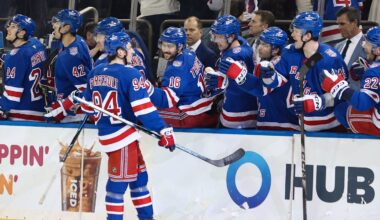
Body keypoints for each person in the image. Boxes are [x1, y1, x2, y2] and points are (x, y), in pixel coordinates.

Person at [80, 33, 176, 220]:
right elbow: (143, 110)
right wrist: (163, 129)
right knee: (117, 186)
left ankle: (146, 217)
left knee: (140, 179)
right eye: (130, 49)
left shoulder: (95, 72)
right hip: (122, 139)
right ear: (121, 52)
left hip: (115, 135)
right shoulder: (130, 73)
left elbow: (86, 107)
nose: (133, 52)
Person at [260, 11, 348, 132]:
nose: (292, 35)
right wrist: (268, 76)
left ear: (307, 36)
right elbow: (275, 81)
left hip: (331, 128)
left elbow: (343, 95)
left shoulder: (330, 59)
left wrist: (319, 101)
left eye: (295, 31)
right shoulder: (290, 52)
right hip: (303, 126)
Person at [212, 27, 300, 130]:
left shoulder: (278, 64)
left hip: (282, 123)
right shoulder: (265, 61)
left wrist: (239, 74)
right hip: (269, 119)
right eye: (260, 43)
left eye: (265, 45)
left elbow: (261, 89)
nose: (259, 48)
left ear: (276, 50)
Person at [145, 27, 219, 128]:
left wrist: (146, 87)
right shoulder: (189, 52)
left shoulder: (177, 68)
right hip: (204, 105)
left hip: (191, 114)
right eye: (163, 45)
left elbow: (166, 100)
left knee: (146, 112)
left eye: (170, 46)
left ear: (180, 46)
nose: (165, 49)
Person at [320, 26, 380, 137]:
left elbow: (362, 104)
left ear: (378, 50)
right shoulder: (374, 70)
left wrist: (339, 87)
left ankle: (358, 141)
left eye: (367, 43)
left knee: (341, 109)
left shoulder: (374, 73)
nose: (363, 45)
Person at [206, 15, 257, 128]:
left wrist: (220, 85)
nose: (216, 41)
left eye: (219, 37)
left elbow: (241, 85)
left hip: (238, 113)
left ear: (232, 36)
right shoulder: (241, 42)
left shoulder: (234, 55)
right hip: (244, 108)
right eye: (215, 36)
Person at [43, 9, 93, 123]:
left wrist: (61, 109)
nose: (53, 25)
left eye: (57, 22)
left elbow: (86, 89)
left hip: (74, 116)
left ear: (66, 27)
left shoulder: (70, 56)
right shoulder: (77, 41)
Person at [0, 14, 46, 121]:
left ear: (22, 33)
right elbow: (26, 58)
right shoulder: (37, 45)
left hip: (22, 114)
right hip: (39, 108)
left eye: (13, 26)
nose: (8, 29)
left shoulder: (15, 56)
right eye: (9, 26)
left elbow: (12, 97)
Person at [335, 7, 367, 90]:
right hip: (336, 98)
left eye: (342, 24)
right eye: (338, 24)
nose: (339, 27)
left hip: (358, 98)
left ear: (354, 23)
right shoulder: (337, 46)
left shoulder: (369, 46)